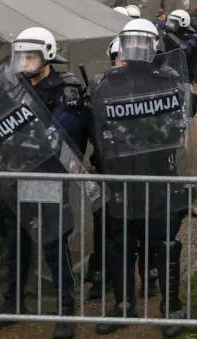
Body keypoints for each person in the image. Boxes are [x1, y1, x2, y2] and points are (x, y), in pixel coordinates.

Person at [0, 27, 88, 339]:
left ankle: (66, 308)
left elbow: (62, 131)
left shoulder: (65, 88)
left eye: (31, 56)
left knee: (53, 243)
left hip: (47, 174)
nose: (24, 62)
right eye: (21, 56)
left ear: (47, 55)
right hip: (16, 173)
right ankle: (13, 302)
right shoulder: (10, 87)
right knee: (15, 241)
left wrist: (21, 138)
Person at [87, 19, 193, 337]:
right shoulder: (106, 83)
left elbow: (178, 124)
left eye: (141, 42)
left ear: (153, 46)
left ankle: (172, 306)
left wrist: (148, 130)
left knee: (164, 241)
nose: (135, 49)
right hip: (121, 174)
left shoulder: (168, 78)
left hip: (158, 172)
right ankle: (123, 304)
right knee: (121, 241)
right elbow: (98, 125)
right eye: (130, 42)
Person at [85, 37, 121, 301]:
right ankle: (102, 273)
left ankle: (150, 270)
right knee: (104, 222)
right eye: (118, 57)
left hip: (139, 166)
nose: (123, 61)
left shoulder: (148, 84)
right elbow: (89, 127)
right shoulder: (99, 87)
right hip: (106, 165)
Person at [165, 10, 197, 82]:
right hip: (172, 71)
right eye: (171, 21)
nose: (171, 24)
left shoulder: (190, 36)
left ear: (183, 22)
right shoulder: (173, 34)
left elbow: (185, 49)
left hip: (186, 74)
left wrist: (171, 36)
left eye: (174, 22)